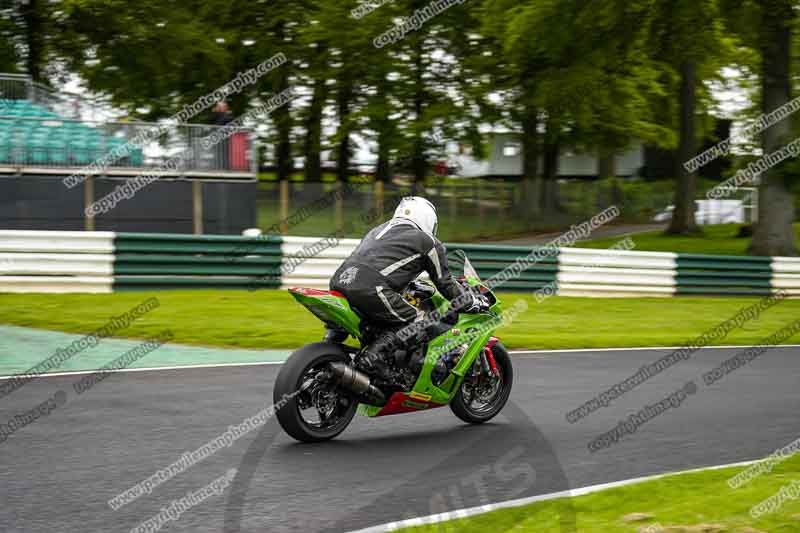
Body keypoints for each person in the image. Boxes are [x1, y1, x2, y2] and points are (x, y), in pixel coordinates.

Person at [330, 196, 490, 381]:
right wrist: (470, 301)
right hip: (373, 289)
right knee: (419, 322)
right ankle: (373, 358)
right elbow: (445, 283)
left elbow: (380, 264)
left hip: (340, 281)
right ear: (428, 219)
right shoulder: (428, 242)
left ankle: (329, 344)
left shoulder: (377, 231)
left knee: (379, 321)